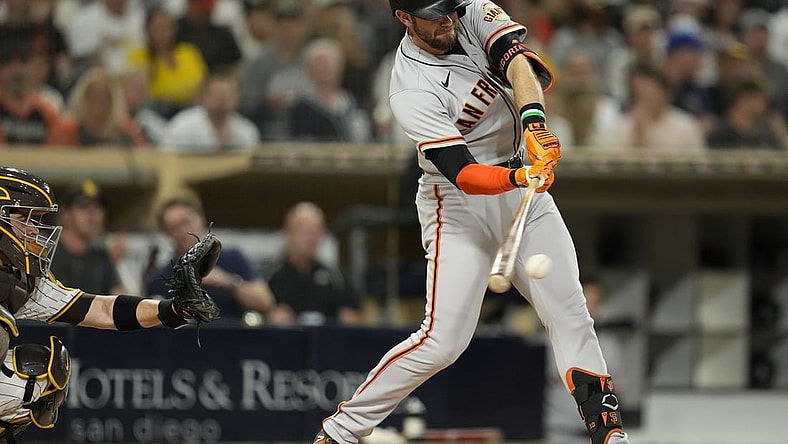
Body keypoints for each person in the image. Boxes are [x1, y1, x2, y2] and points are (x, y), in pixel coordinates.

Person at [313, 1, 630, 444]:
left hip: (521, 186)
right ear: (404, 17)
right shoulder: (410, 86)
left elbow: (519, 62)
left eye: (449, 8)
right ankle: (340, 432)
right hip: (457, 204)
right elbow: (462, 172)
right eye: (432, 13)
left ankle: (610, 434)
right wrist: (520, 176)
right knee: (443, 340)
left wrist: (535, 123)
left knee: (571, 312)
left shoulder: (474, 11)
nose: (446, 19)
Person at [0, 166, 218, 440]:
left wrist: (172, 309)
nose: (34, 230)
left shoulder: (19, 280)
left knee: (43, 367)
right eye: (26, 219)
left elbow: (100, 310)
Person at [146, 198, 275, 321]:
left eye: (185, 222)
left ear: (200, 218)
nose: (182, 232)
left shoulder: (232, 258)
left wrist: (230, 283)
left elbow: (265, 302)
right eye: (173, 228)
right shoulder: (162, 277)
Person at [544, 276, 624, 443]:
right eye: (586, 299)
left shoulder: (609, 345)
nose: (590, 306)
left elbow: (617, 391)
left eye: (595, 301)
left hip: (597, 433)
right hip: (558, 431)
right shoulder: (550, 340)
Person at [267, 202, 363, 327]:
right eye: (304, 231)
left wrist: (347, 321)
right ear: (288, 233)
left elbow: (354, 317)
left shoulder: (336, 277)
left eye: (316, 231)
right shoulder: (270, 275)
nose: (310, 238)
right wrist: (270, 315)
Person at [48, 179, 128, 295]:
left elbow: (117, 294)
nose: (93, 213)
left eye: (98, 207)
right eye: (84, 206)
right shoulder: (49, 254)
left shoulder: (100, 255)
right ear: (66, 214)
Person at [285, 38, 373, 143]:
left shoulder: (353, 104)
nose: (324, 72)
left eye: (328, 66)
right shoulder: (302, 108)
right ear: (310, 70)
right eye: (319, 67)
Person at [127, 7, 208, 119]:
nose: (163, 33)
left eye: (166, 27)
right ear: (147, 30)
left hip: (193, 110)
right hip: (159, 113)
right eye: (158, 28)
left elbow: (203, 83)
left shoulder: (188, 52)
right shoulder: (139, 57)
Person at [611, 62, 706, 151]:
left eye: (647, 88)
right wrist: (639, 133)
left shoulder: (686, 126)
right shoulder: (625, 126)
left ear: (664, 92)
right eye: (636, 89)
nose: (640, 92)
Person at [46, 66, 148, 148]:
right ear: (82, 98)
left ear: (112, 102)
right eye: (92, 97)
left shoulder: (126, 131)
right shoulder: (64, 131)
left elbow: (144, 160)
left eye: (104, 98)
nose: (98, 104)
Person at [159, 73, 260, 151]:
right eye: (217, 95)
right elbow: (167, 161)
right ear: (203, 97)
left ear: (236, 99)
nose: (222, 101)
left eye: (227, 96)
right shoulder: (182, 127)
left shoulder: (247, 131)